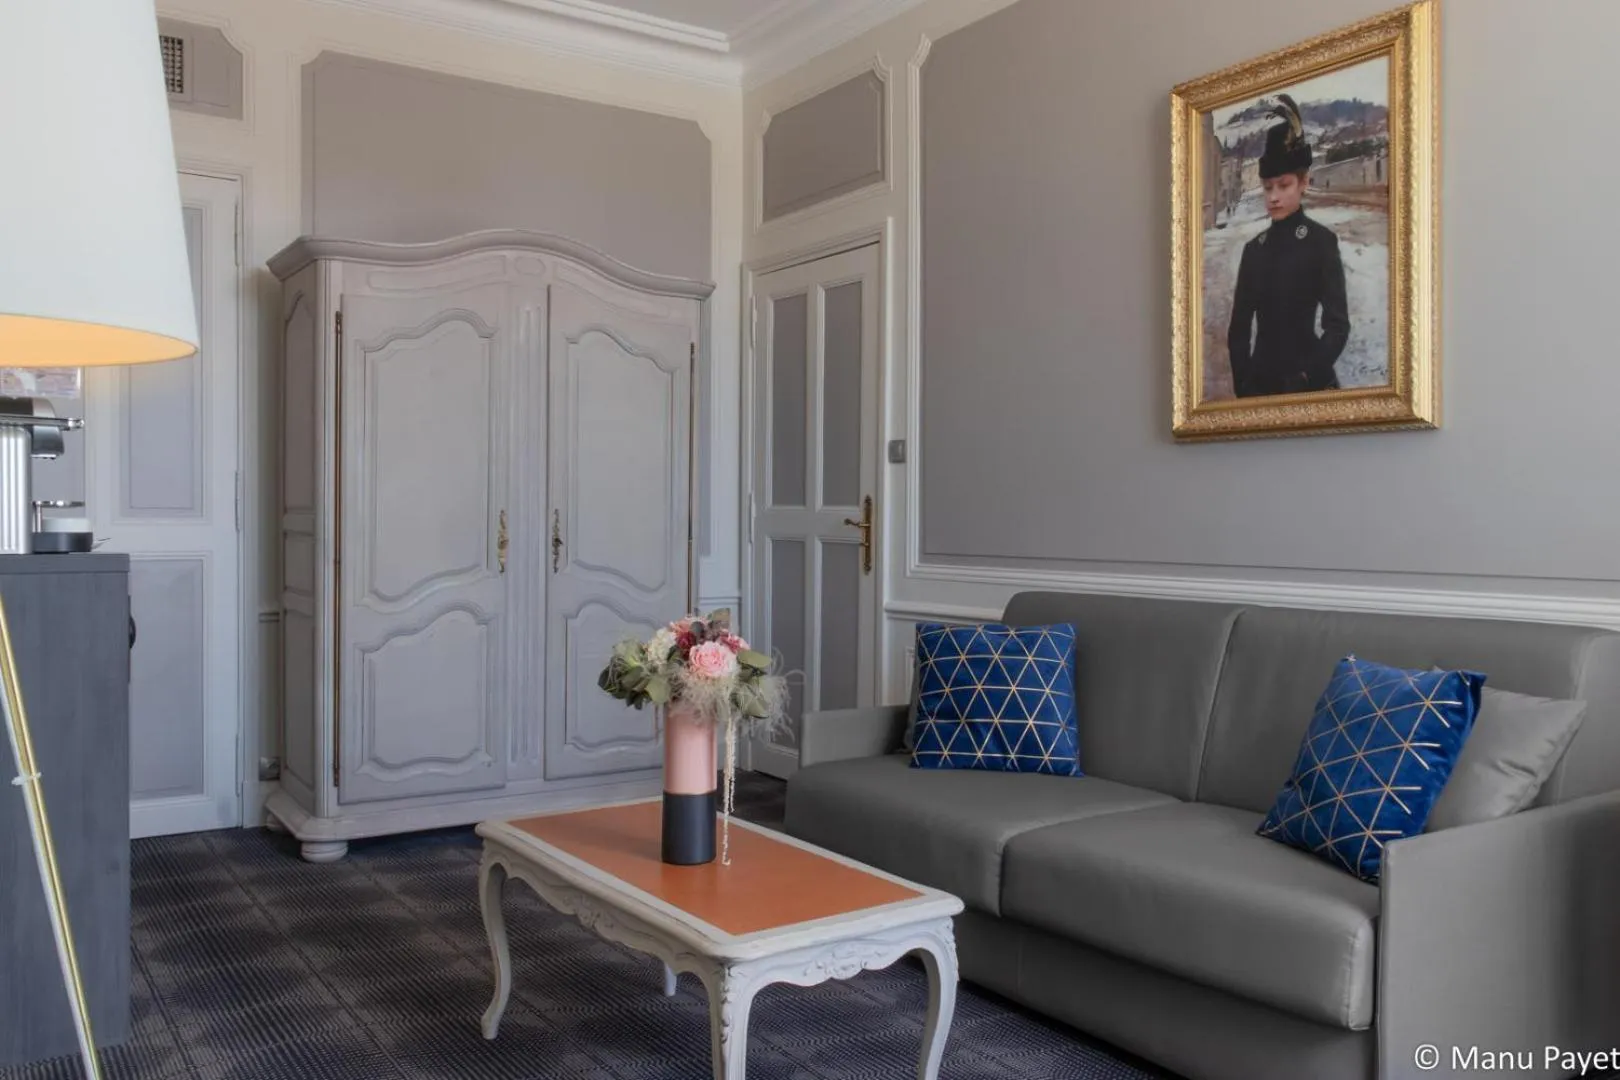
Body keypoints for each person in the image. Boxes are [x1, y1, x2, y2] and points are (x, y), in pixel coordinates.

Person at [1226, 93, 1349, 398]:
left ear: (1304, 183)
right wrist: (1243, 386)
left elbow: (1337, 326)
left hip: (1310, 385)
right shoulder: (1254, 249)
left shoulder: (1321, 242)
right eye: (1268, 188)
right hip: (1259, 385)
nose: (1273, 197)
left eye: (1284, 185)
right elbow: (1238, 331)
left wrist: (1308, 374)